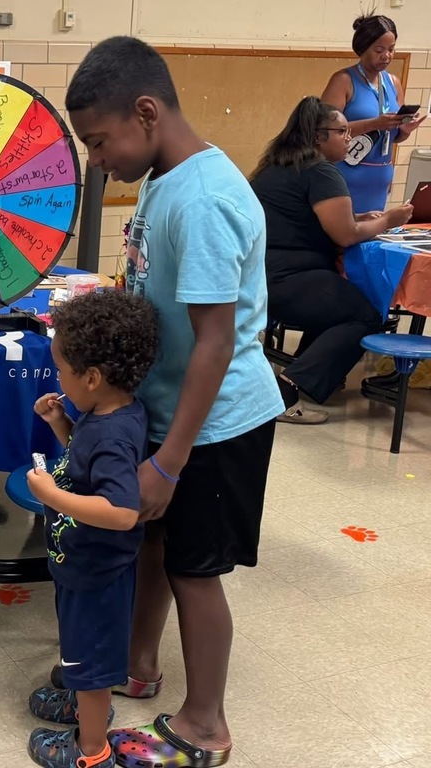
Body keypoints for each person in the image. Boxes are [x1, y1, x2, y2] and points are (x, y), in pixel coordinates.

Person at [62, 37, 285, 768]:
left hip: (217, 423)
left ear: (147, 113)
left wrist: (170, 460)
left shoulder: (208, 198)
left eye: (99, 141)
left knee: (195, 567)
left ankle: (205, 722)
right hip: (171, 411)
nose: (97, 158)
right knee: (153, 542)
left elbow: (216, 342)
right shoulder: (163, 178)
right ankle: (137, 663)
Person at [24, 291, 158, 768]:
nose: (57, 379)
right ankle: (82, 700)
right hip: (80, 563)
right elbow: (86, 464)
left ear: (94, 377)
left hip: (97, 573)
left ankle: (92, 750)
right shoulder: (108, 414)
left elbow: (121, 510)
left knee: (91, 663)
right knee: (80, 652)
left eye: (62, 371)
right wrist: (62, 422)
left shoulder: (113, 434)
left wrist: (51, 497)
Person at [250, 96, 413, 423]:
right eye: (342, 132)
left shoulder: (273, 168)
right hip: (291, 279)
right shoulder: (321, 171)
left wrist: (357, 216)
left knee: (337, 306)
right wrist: (388, 220)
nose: (349, 138)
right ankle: (287, 389)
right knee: (367, 315)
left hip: (259, 279)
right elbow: (347, 235)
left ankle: (303, 374)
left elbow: (305, 218)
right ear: (317, 138)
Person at [320, 13, 426, 215]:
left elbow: (395, 136)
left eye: (391, 49)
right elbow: (323, 131)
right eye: (379, 50)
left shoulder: (393, 83)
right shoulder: (343, 80)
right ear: (362, 49)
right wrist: (373, 124)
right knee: (343, 236)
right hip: (346, 175)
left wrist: (404, 130)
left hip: (379, 178)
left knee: (372, 237)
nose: (386, 56)